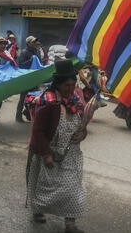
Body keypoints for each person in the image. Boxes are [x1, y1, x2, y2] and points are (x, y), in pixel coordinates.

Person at [27, 59, 88, 233]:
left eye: (73, 84)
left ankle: (70, 223)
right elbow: (38, 131)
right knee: (42, 184)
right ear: (58, 84)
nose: (71, 89)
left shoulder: (76, 100)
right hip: (48, 151)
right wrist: (46, 154)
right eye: (67, 85)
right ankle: (38, 210)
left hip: (71, 153)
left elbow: (82, 125)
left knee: (74, 187)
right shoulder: (48, 102)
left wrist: (83, 133)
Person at [16, 36, 45, 122]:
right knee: (23, 98)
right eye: (33, 42)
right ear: (28, 44)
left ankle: (29, 114)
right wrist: (30, 60)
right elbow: (21, 65)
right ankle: (18, 116)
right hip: (26, 79)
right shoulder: (24, 53)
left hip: (35, 79)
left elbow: (39, 64)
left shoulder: (37, 52)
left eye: (35, 42)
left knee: (35, 98)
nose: (35, 43)